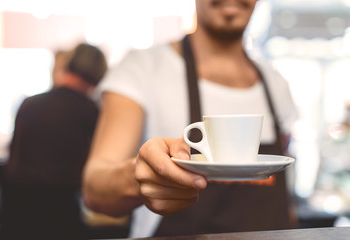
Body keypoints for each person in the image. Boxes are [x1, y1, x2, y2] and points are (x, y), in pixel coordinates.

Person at [83, 0, 298, 238]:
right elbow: (95, 188)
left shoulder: (275, 83)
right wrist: (138, 177)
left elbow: (284, 198)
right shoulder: (142, 69)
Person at [0, 43, 108, 239]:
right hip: (60, 219)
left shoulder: (29, 104)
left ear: (68, 64)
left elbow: (12, 160)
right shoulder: (92, 112)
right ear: (99, 74)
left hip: (12, 217)